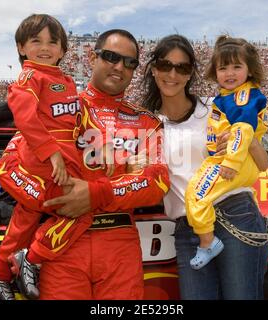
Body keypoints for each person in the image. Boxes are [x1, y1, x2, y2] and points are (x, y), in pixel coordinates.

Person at [28, 29, 170, 300]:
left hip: (119, 245)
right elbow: (17, 166)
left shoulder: (147, 122)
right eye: (111, 57)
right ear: (93, 57)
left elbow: (156, 182)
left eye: (130, 62)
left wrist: (95, 193)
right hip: (61, 241)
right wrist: (125, 170)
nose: (120, 67)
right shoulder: (57, 109)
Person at [141, 34, 268, 299]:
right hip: (188, 226)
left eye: (183, 67)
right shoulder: (145, 124)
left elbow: (263, 164)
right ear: (154, 69)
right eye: (166, 65)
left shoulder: (215, 108)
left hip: (235, 212)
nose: (173, 74)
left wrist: (245, 141)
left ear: (190, 74)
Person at [0, 13, 93, 300]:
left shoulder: (66, 81)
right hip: (46, 159)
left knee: (25, 217)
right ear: (22, 48)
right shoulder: (31, 75)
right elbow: (25, 117)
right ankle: (32, 258)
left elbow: (73, 122)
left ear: (62, 50)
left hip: (63, 158)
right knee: (83, 210)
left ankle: (0, 274)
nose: (45, 47)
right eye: (36, 41)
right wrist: (53, 155)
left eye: (53, 41)